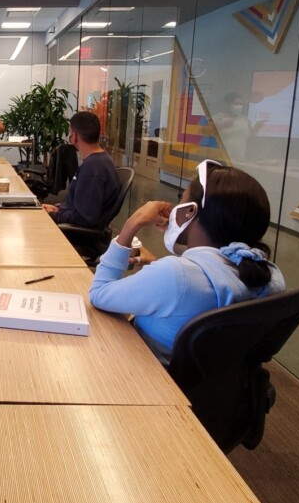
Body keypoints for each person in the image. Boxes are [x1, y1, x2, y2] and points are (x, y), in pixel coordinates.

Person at [88, 159, 285, 362]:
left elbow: (99, 294)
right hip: (209, 389)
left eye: (181, 200)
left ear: (190, 211)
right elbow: (195, 293)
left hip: (148, 377)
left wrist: (133, 222)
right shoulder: (269, 276)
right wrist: (157, 266)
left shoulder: (175, 276)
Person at [43, 111, 120, 232]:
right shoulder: (101, 160)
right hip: (77, 224)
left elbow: (84, 217)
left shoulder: (92, 170)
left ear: (74, 136)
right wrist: (59, 209)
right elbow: (83, 207)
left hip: (78, 235)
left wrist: (54, 215)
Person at [213, 92, 263, 162]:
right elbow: (207, 134)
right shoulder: (218, 118)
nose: (239, 106)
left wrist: (257, 127)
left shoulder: (245, 120)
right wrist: (222, 125)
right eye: (236, 104)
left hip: (239, 159)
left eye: (240, 104)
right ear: (228, 105)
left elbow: (250, 137)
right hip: (221, 159)